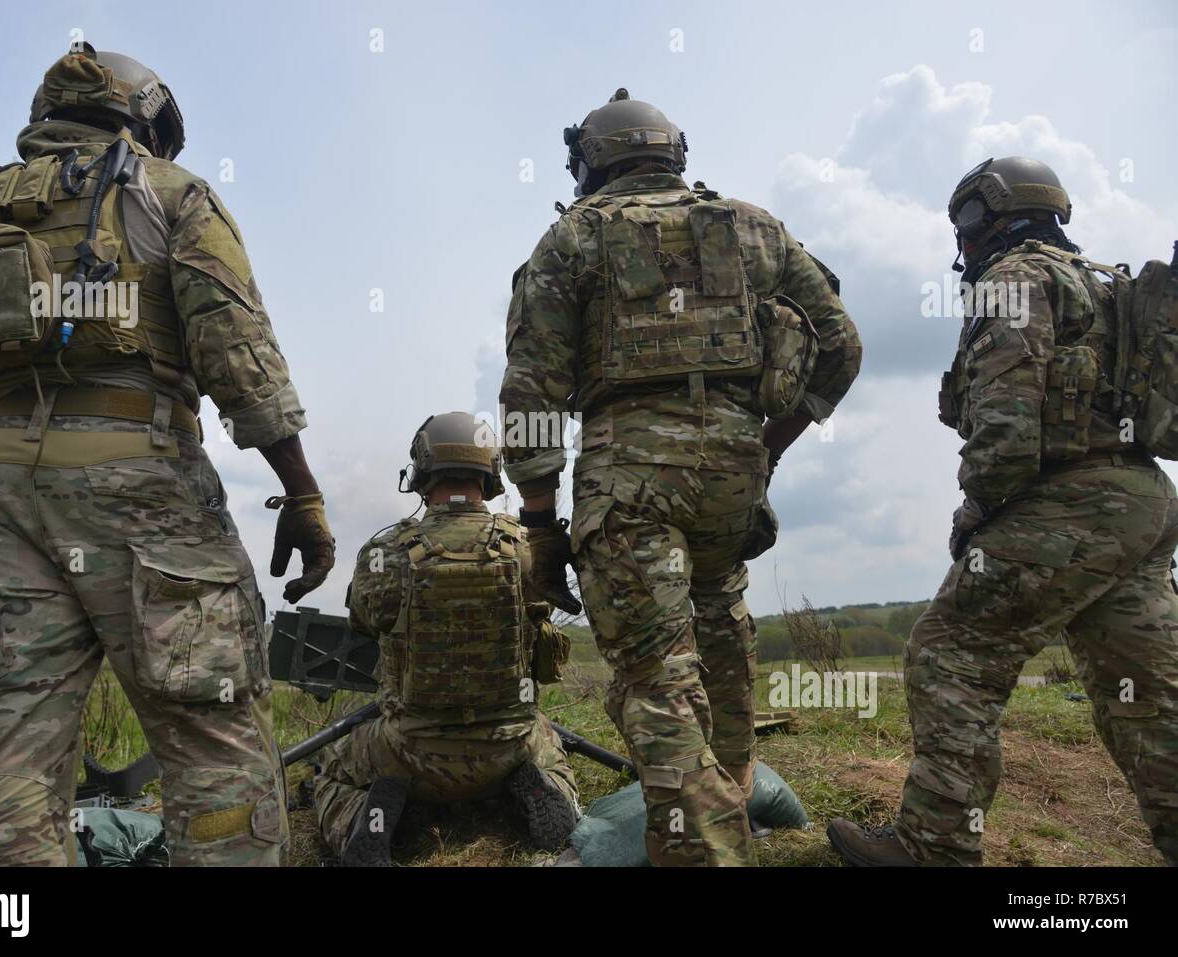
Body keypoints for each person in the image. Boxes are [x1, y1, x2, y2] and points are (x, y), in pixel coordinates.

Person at [0, 43, 335, 865]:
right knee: (215, 748)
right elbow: (240, 356)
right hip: (144, 484)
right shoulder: (173, 195)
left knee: (4, 774)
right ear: (145, 118)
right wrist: (301, 494)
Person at [499, 89, 862, 865]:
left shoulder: (572, 238)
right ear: (674, 153)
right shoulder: (754, 228)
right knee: (723, 649)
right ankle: (732, 801)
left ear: (591, 161)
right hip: (733, 478)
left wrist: (537, 521)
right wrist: (770, 444)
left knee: (657, 687)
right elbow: (841, 346)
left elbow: (531, 391)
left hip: (630, 483)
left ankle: (704, 853)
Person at [827, 156, 1178, 866]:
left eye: (962, 225)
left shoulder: (1013, 281)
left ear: (981, 217)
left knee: (950, 653)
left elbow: (1008, 429)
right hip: (1142, 503)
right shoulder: (1110, 286)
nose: (960, 243)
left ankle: (934, 848)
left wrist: (975, 510)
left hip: (1068, 505)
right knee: (1147, 693)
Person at [309, 412, 580, 866]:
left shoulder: (385, 551)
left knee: (332, 766)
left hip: (406, 755)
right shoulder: (526, 548)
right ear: (490, 470)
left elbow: (363, 621)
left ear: (420, 470)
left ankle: (364, 820)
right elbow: (541, 614)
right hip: (508, 747)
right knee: (549, 747)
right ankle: (547, 787)